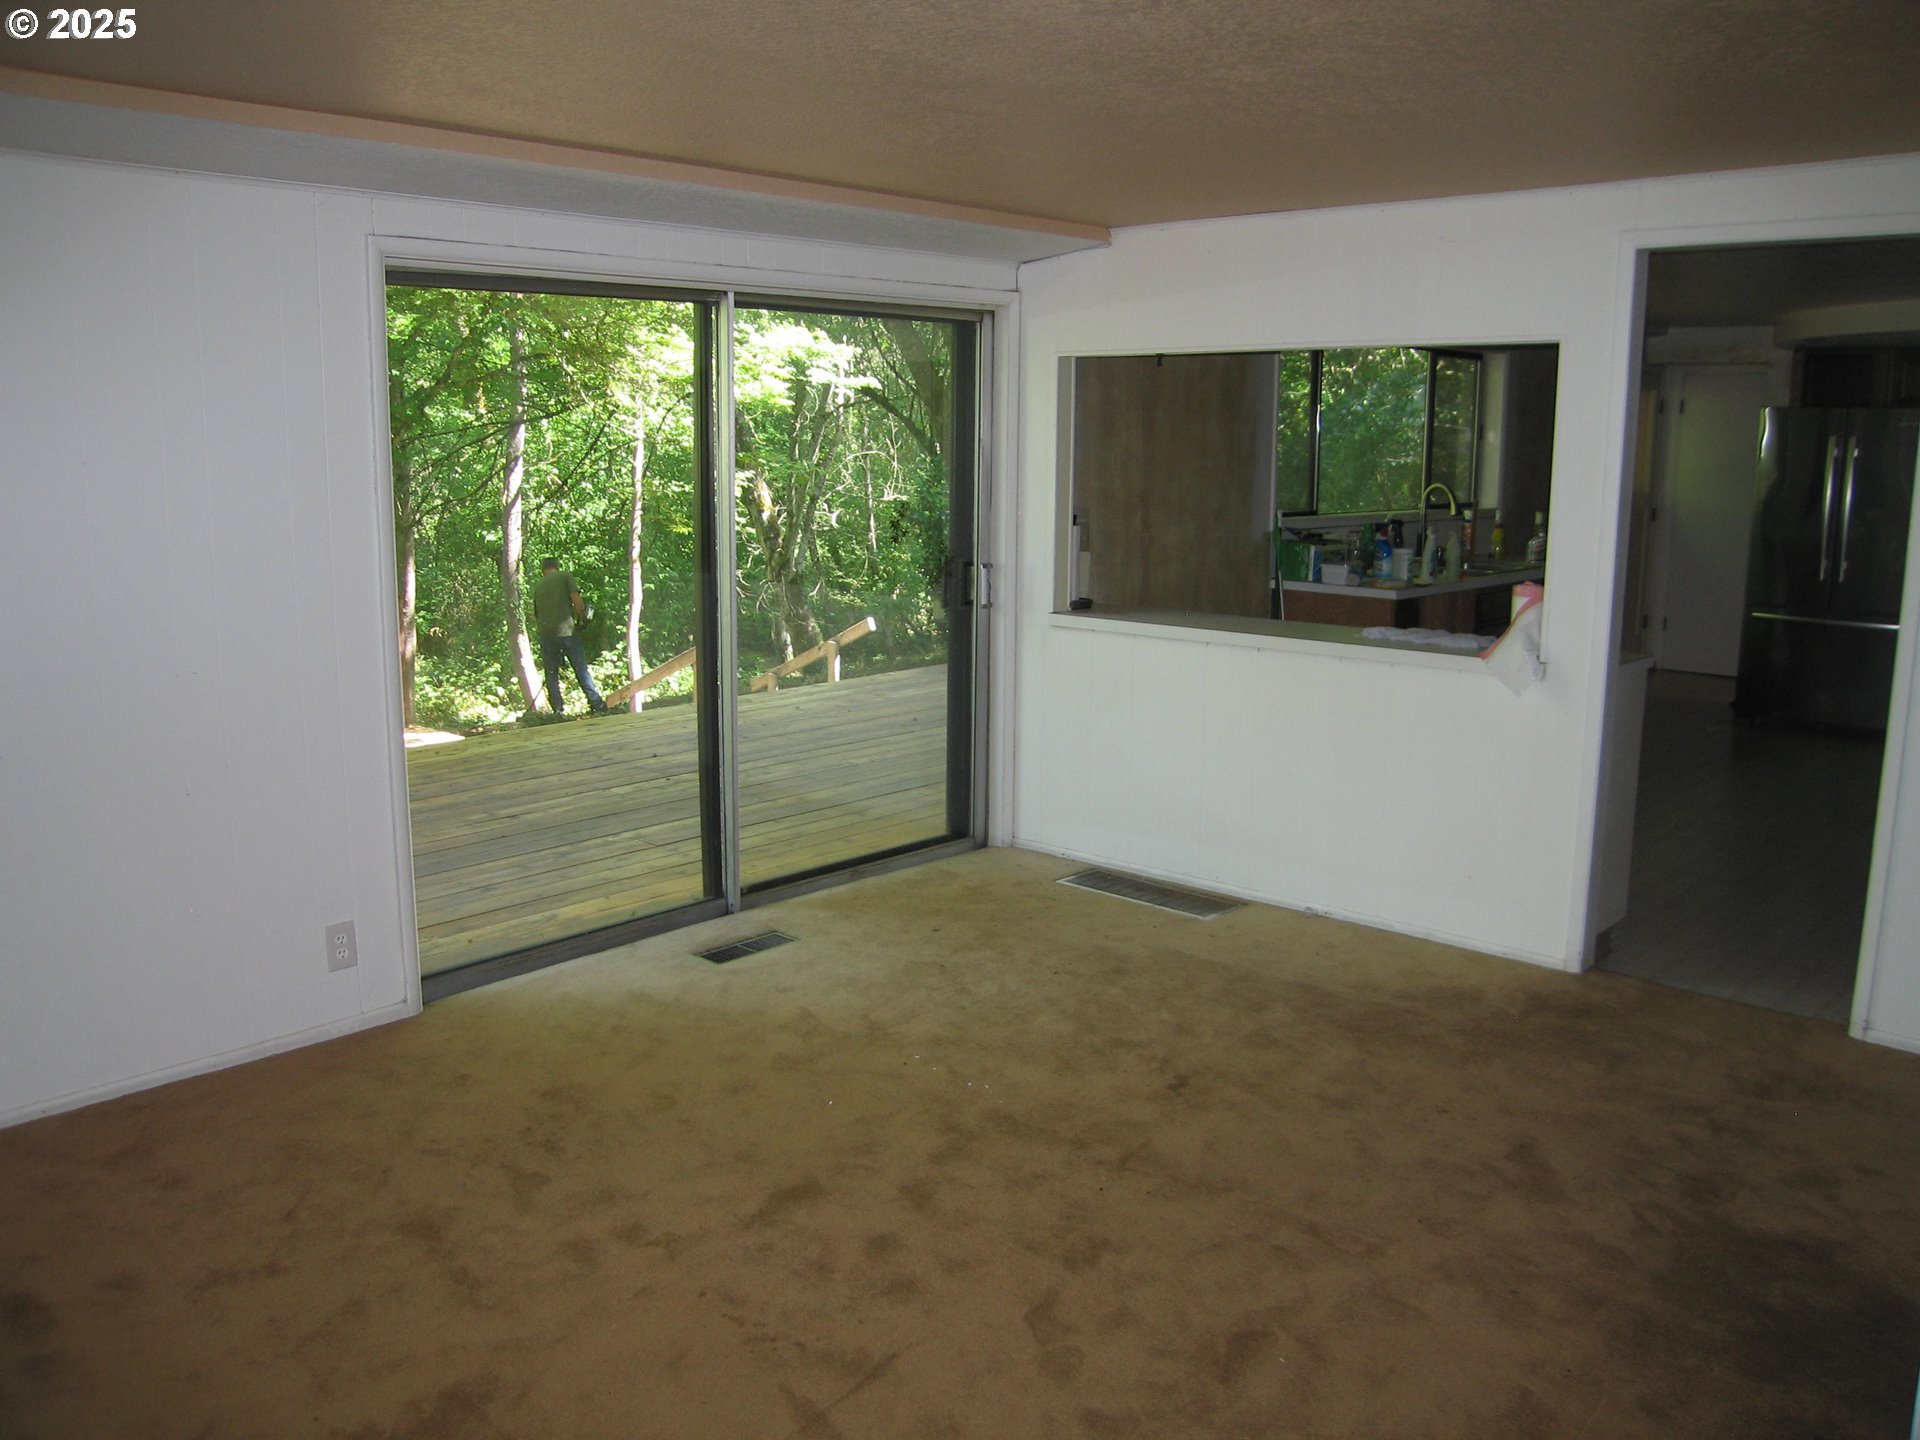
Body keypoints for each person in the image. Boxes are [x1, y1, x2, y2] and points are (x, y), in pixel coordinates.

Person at [531, 558, 606, 716]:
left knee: (551, 673)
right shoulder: (565, 576)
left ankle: (558, 710)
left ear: (543, 569)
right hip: (567, 632)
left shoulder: (537, 585)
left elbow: (537, 614)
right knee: (580, 668)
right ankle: (596, 703)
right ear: (557, 567)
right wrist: (583, 620)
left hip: (546, 635)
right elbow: (576, 599)